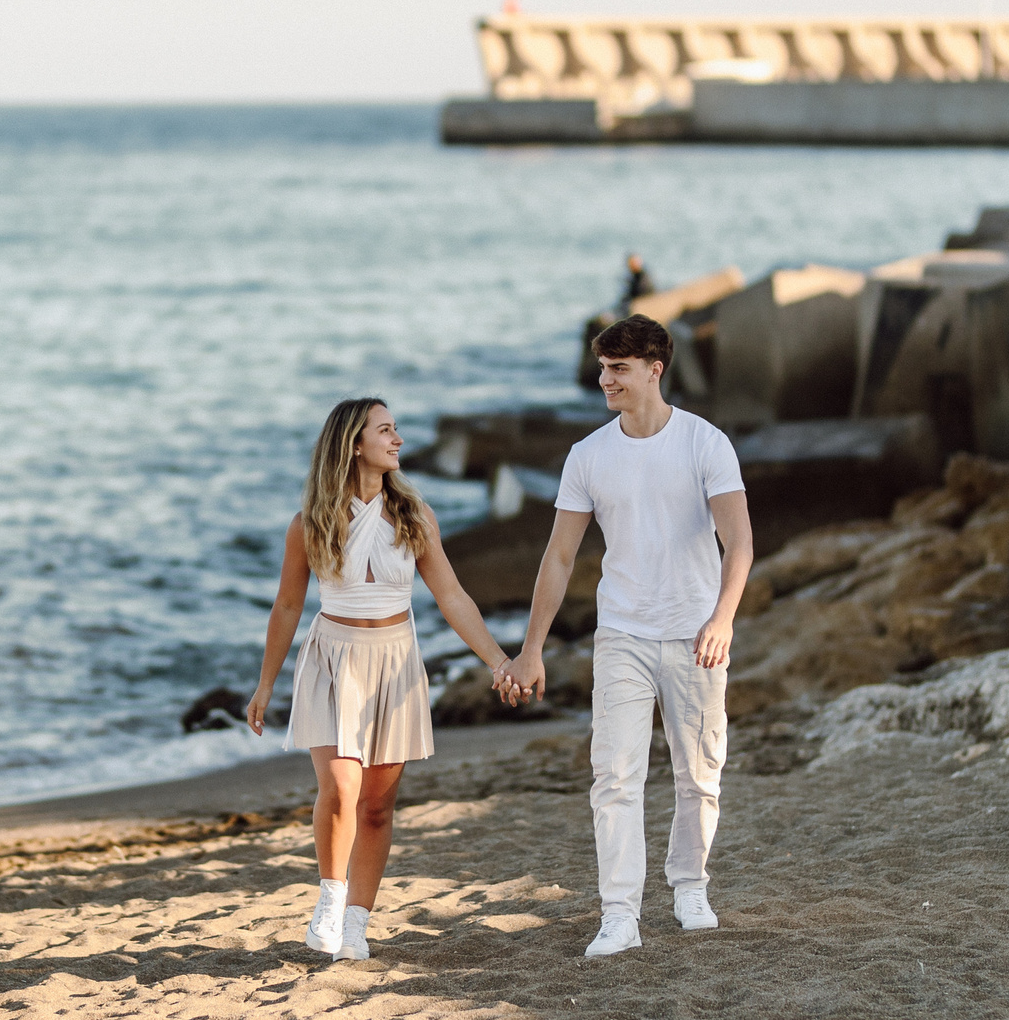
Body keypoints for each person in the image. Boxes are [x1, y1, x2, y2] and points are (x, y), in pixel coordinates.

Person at [497, 314, 752, 957]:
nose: (605, 380)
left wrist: (722, 618)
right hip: (622, 635)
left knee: (700, 772)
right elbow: (558, 558)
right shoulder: (588, 456)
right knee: (614, 777)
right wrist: (532, 648)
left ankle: (690, 886)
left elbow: (740, 541)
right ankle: (620, 915)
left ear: (653, 370)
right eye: (603, 369)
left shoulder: (705, 444)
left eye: (618, 369)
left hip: (696, 633)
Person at [248, 398, 517, 960]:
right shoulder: (310, 523)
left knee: (376, 805)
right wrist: (266, 685)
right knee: (341, 788)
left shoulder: (415, 517)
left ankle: (356, 922)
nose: (397, 440)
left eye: (395, 431)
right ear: (353, 444)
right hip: (332, 660)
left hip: (395, 661)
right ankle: (329, 896)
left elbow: (452, 596)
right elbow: (287, 607)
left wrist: (498, 660)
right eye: (386, 431)